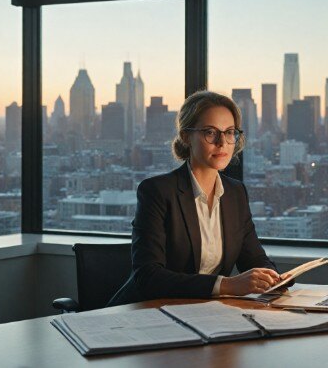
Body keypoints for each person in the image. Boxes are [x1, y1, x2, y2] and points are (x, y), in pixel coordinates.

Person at [108, 91, 287, 306]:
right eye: (210, 133)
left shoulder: (235, 193)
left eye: (229, 132)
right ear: (186, 136)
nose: (222, 143)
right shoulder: (157, 191)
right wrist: (227, 285)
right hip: (149, 313)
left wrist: (274, 278)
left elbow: (254, 258)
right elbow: (148, 277)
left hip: (205, 314)